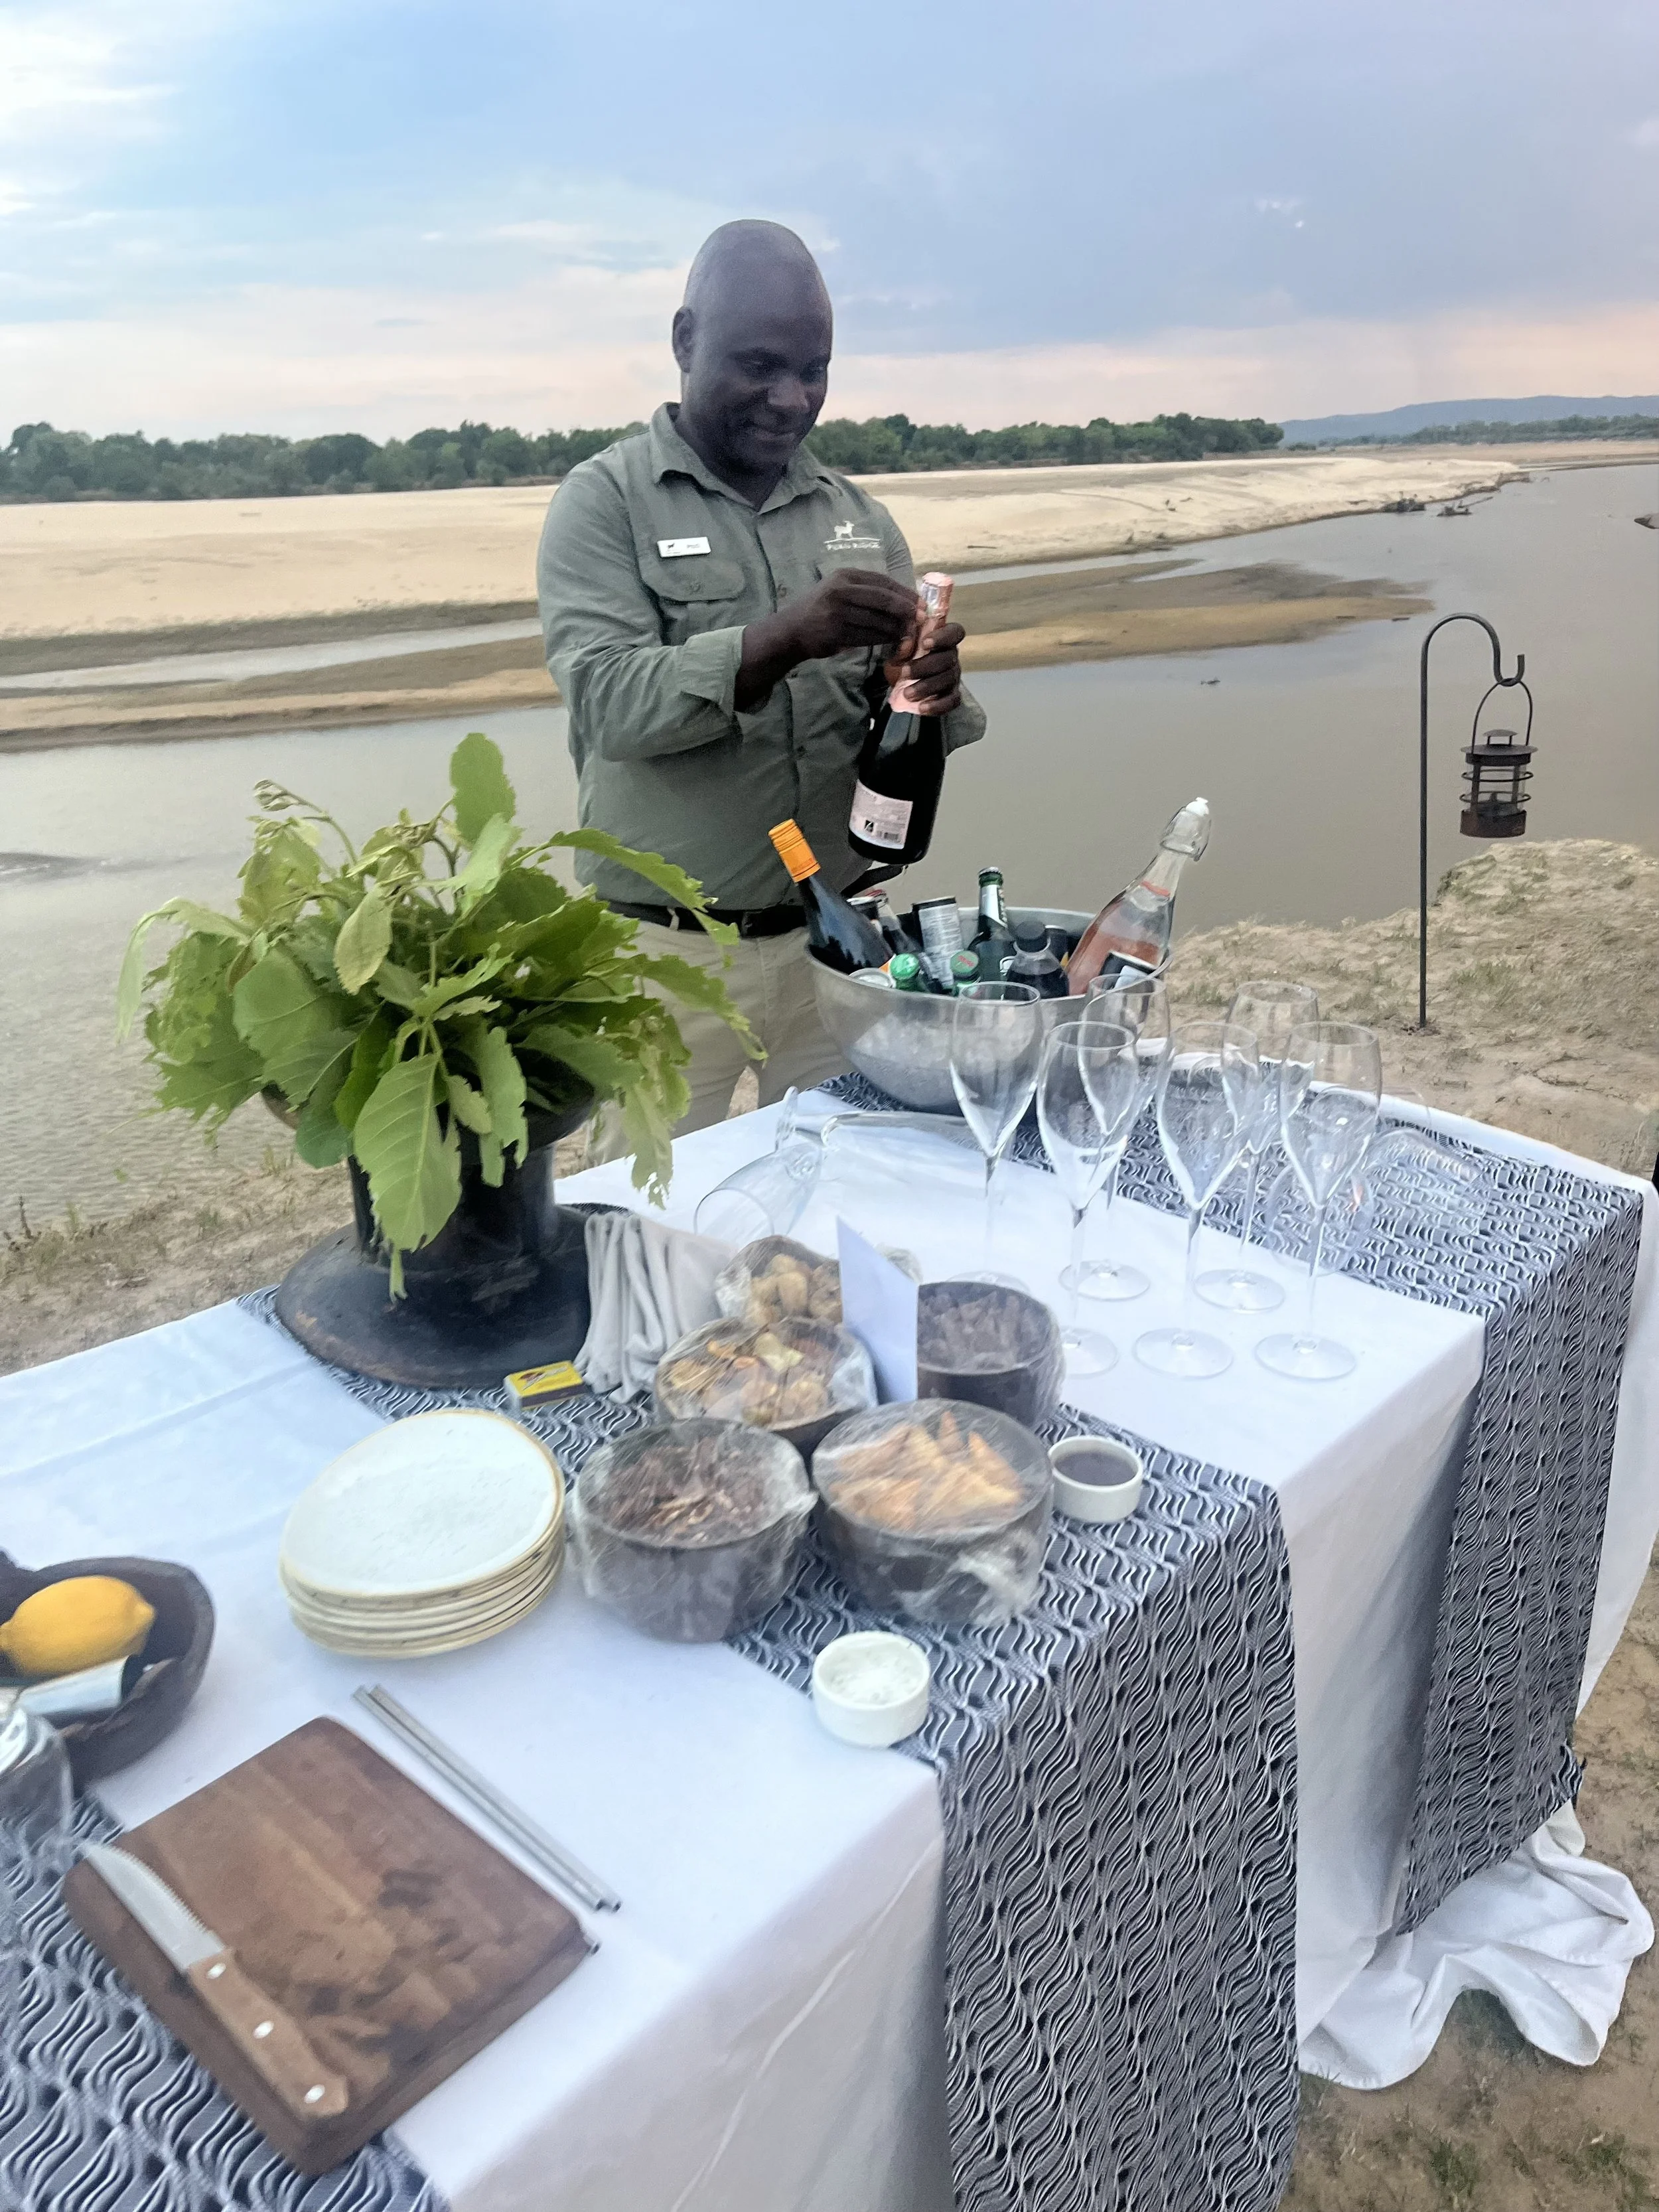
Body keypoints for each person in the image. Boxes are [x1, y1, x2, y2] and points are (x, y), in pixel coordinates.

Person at [538, 219, 986, 1155]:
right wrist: (784, 638)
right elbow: (610, 705)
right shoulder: (604, 501)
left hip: (842, 951)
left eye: (815, 369)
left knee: (844, 1195)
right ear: (685, 341)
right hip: (666, 957)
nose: (791, 398)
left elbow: (902, 735)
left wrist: (932, 688)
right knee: (643, 1224)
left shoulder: (857, 518)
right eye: (760, 364)